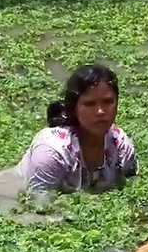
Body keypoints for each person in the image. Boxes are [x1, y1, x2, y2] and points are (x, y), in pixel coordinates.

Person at [19, 63, 139, 194]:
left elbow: (133, 188)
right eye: (89, 104)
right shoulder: (52, 152)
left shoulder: (120, 145)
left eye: (108, 102)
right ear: (73, 108)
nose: (100, 111)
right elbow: (35, 205)